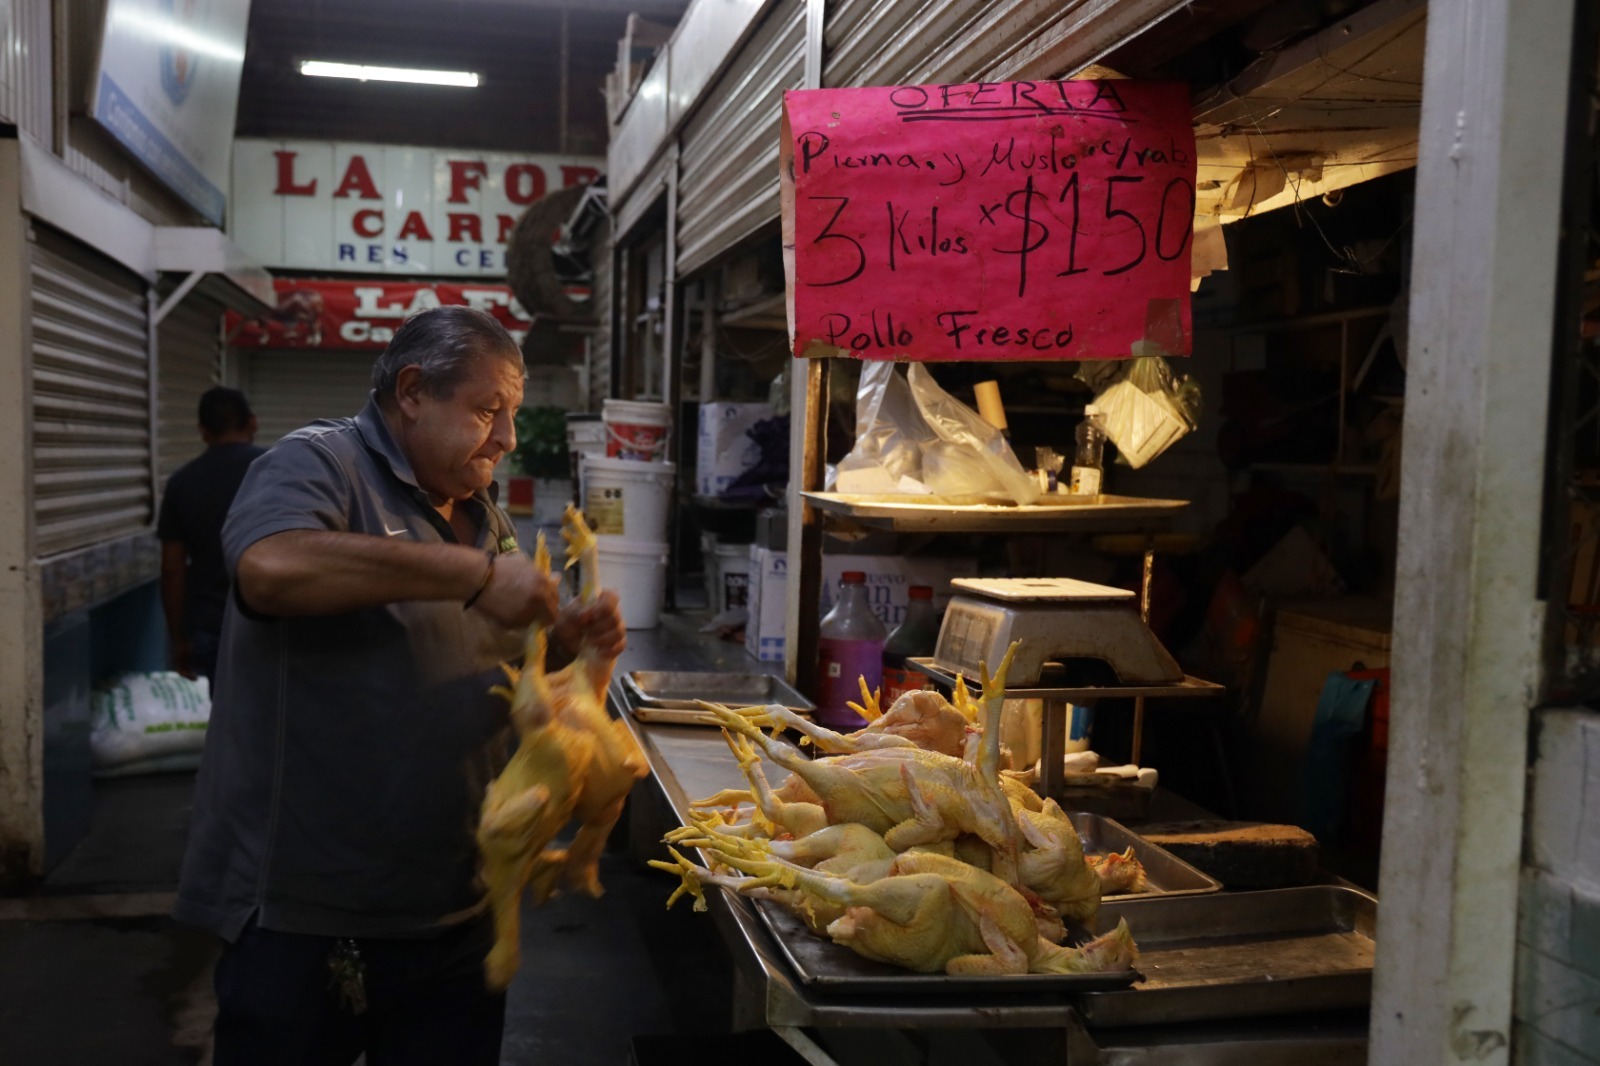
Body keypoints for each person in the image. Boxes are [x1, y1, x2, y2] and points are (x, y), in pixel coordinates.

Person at [174, 307, 626, 1065]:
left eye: (511, 416)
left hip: (458, 905)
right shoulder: (317, 463)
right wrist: (474, 575)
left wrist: (566, 656)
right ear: (413, 391)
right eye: (489, 411)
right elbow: (270, 567)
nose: (508, 439)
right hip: (309, 916)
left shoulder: (478, 511)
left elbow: (488, 671)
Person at [157, 387, 265, 682]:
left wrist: (178, 638)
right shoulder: (276, 470)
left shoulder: (182, 483)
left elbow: (172, 569)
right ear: (252, 422)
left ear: (203, 431)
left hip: (212, 625)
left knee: (228, 718)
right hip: (274, 619)